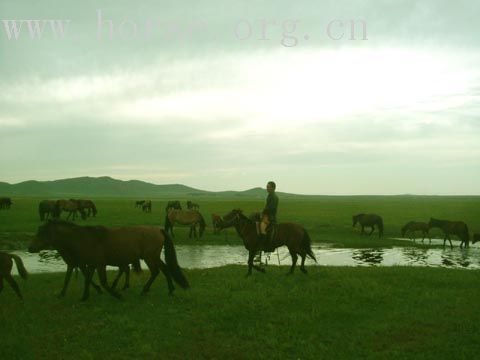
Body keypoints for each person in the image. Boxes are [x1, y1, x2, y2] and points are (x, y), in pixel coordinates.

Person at [259, 181, 279, 252]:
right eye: (267, 187)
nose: (267, 188)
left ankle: (266, 244)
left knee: (262, 226)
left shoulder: (273, 196)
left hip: (270, 217)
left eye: (268, 187)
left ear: (273, 188)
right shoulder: (270, 195)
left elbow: (270, 208)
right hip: (267, 215)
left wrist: (263, 213)